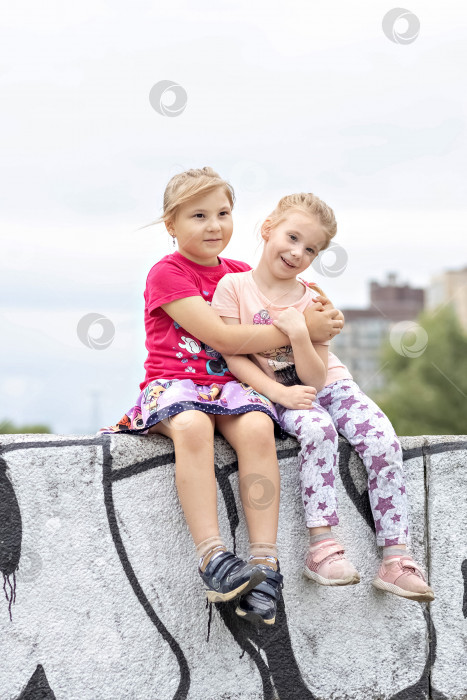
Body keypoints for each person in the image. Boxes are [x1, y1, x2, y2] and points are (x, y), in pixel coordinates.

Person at [98, 168, 344, 624]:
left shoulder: (240, 275)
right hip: (175, 385)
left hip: (231, 387)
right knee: (192, 424)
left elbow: (298, 307)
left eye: (224, 213)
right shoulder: (167, 274)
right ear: (171, 224)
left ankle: (265, 565)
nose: (214, 225)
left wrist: (322, 317)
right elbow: (223, 339)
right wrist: (298, 330)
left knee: (255, 426)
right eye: (198, 215)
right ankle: (213, 556)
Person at [211, 192, 434, 603]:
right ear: (267, 229)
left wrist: (300, 331)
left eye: (310, 248)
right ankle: (323, 547)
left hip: (329, 384)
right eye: (292, 237)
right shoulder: (233, 288)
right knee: (318, 430)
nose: (298, 252)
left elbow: (316, 374)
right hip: (277, 392)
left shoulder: (313, 299)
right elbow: (235, 357)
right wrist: (278, 393)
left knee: (382, 438)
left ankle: (396, 557)